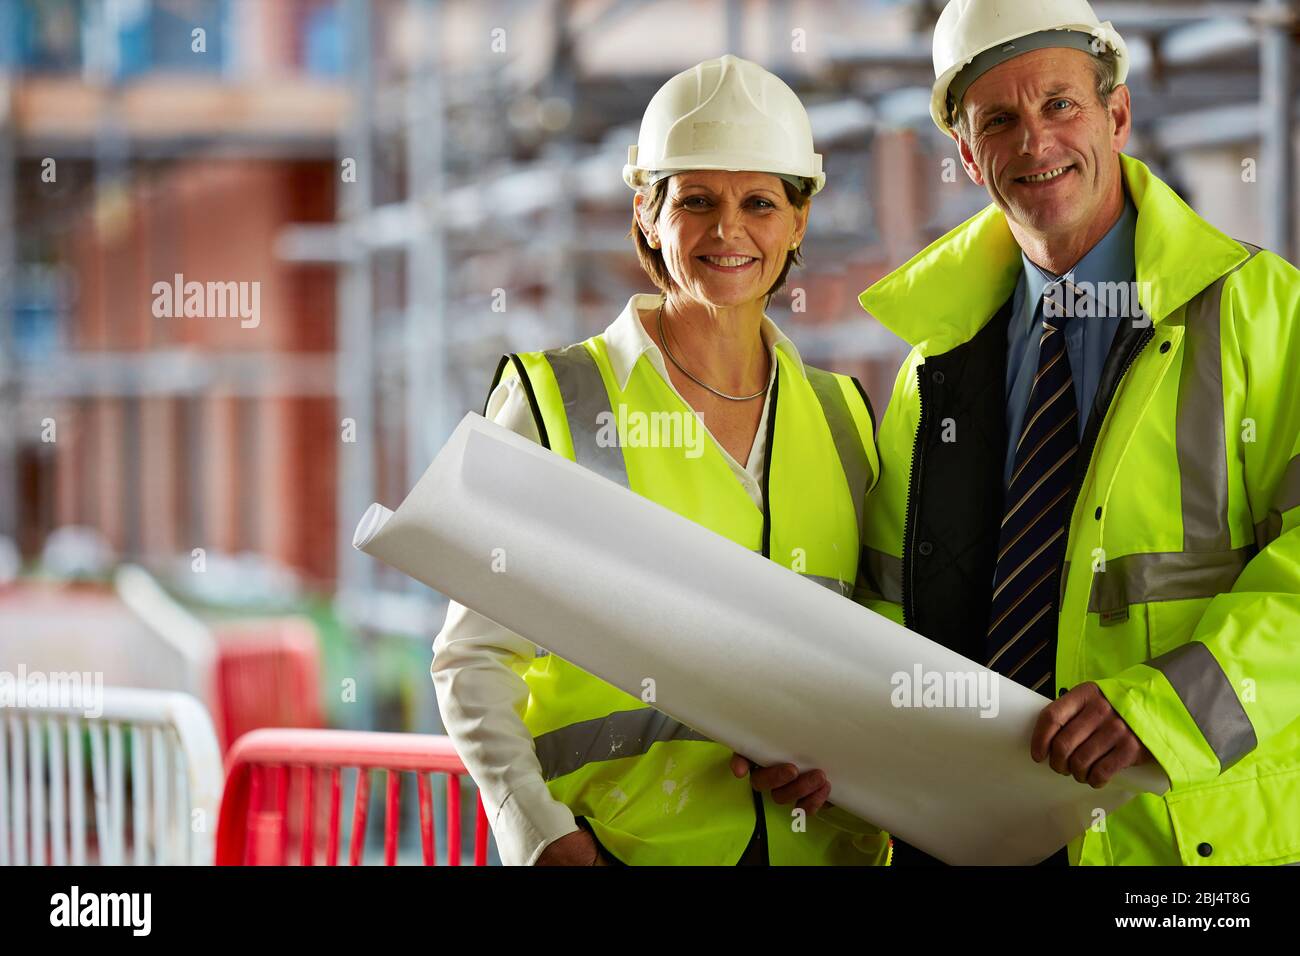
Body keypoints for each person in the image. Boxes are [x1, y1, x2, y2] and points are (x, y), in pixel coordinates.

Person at [856, 0, 1300, 865]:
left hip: (1185, 845)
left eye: (1060, 105)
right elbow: (886, 608)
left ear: (1118, 115)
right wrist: (837, 750)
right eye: (998, 121)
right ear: (966, 153)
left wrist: (1161, 710)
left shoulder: (1263, 313)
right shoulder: (935, 367)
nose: (1035, 143)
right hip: (981, 833)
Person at [432, 54, 889, 866]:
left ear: (798, 222)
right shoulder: (555, 401)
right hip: (620, 848)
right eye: (697, 201)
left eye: (759, 202)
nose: (728, 231)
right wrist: (537, 832)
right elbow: (472, 658)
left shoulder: (843, 418)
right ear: (646, 212)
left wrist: (851, 762)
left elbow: (875, 651)